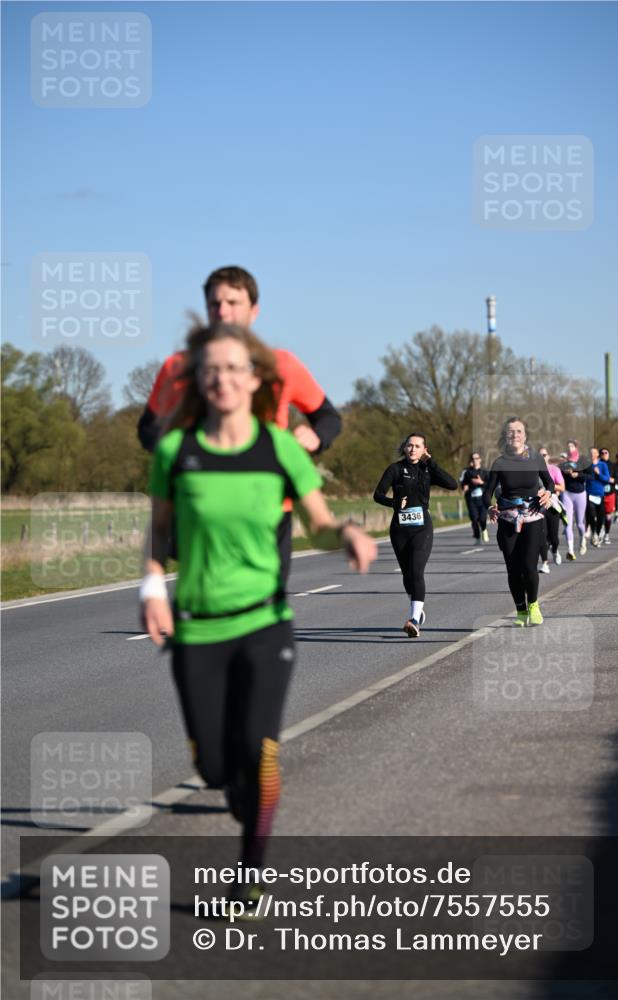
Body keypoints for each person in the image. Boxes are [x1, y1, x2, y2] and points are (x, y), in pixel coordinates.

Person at [141, 320, 376, 909]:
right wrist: (150, 587)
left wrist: (345, 533)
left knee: (259, 745)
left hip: (265, 623)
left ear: (255, 379)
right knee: (217, 769)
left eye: (233, 368)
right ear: (199, 380)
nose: (222, 378)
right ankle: (238, 794)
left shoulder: (281, 452)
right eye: (210, 369)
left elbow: (318, 523)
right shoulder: (176, 451)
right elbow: (160, 530)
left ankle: (249, 872)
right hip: (197, 626)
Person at [137, 266, 342, 582]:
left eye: (233, 303)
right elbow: (148, 428)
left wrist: (316, 436)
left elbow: (328, 417)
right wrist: (182, 448)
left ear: (254, 310)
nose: (223, 312)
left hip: (271, 508)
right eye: (215, 304)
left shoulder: (281, 365)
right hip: (202, 503)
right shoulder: (178, 366)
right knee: (210, 606)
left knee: (265, 608)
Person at [373, 434, 458, 637]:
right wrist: (394, 503)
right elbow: (377, 495)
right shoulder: (395, 469)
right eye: (409, 446)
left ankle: (413, 620)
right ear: (404, 448)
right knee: (407, 574)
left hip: (422, 528)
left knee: (416, 569)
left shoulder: (427, 469)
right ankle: (417, 609)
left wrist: (431, 462)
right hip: (399, 529)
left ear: (423, 450)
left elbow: (452, 484)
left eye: (417, 446)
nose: (412, 449)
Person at [483, 418, 554, 626]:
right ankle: (520, 609)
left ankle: (533, 604)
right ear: (506, 436)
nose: (515, 435)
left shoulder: (536, 459)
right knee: (513, 569)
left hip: (532, 517)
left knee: (530, 567)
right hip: (507, 519)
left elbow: (549, 481)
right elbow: (487, 493)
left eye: (519, 431)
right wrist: (490, 507)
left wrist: (548, 493)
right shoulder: (500, 463)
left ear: (525, 435)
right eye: (511, 431)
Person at [537, 447, 565, 572]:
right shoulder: (533, 471)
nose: (542, 457)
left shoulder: (554, 469)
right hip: (539, 506)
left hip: (552, 505)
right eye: (540, 455)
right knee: (542, 536)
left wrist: (548, 490)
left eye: (544, 455)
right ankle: (545, 563)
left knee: (554, 537)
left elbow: (562, 487)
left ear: (548, 456)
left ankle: (554, 550)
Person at [561, 456, 589, 561]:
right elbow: (559, 476)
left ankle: (583, 540)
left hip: (580, 494)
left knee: (580, 523)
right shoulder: (564, 464)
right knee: (567, 523)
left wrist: (578, 475)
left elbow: (591, 477)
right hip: (567, 494)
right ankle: (570, 551)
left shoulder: (583, 463)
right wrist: (565, 472)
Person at [460, 452, 490, 545]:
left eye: (476, 458)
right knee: (474, 519)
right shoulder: (467, 472)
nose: (475, 460)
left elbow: (490, 485)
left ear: (480, 459)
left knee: (482, 518)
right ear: (470, 461)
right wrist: (465, 487)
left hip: (483, 499)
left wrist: (481, 482)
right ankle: (477, 537)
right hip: (471, 500)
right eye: (473, 459)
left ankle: (484, 529)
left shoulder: (485, 472)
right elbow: (463, 483)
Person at [583, 446, 610, 547]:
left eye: (594, 453)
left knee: (600, 517)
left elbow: (607, 479)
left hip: (600, 494)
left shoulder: (603, 465)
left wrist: (599, 474)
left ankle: (597, 533)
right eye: (590, 453)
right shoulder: (587, 465)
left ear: (597, 454)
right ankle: (593, 533)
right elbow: (583, 477)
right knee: (591, 515)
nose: (592, 455)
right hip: (589, 493)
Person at [599, 447, 615, 544]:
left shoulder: (612, 465)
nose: (604, 454)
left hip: (610, 493)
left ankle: (607, 535)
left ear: (608, 454)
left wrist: (613, 480)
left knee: (608, 515)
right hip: (599, 492)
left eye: (606, 452)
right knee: (600, 514)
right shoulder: (597, 464)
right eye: (602, 453)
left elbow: (617, 478)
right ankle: (600, 531)